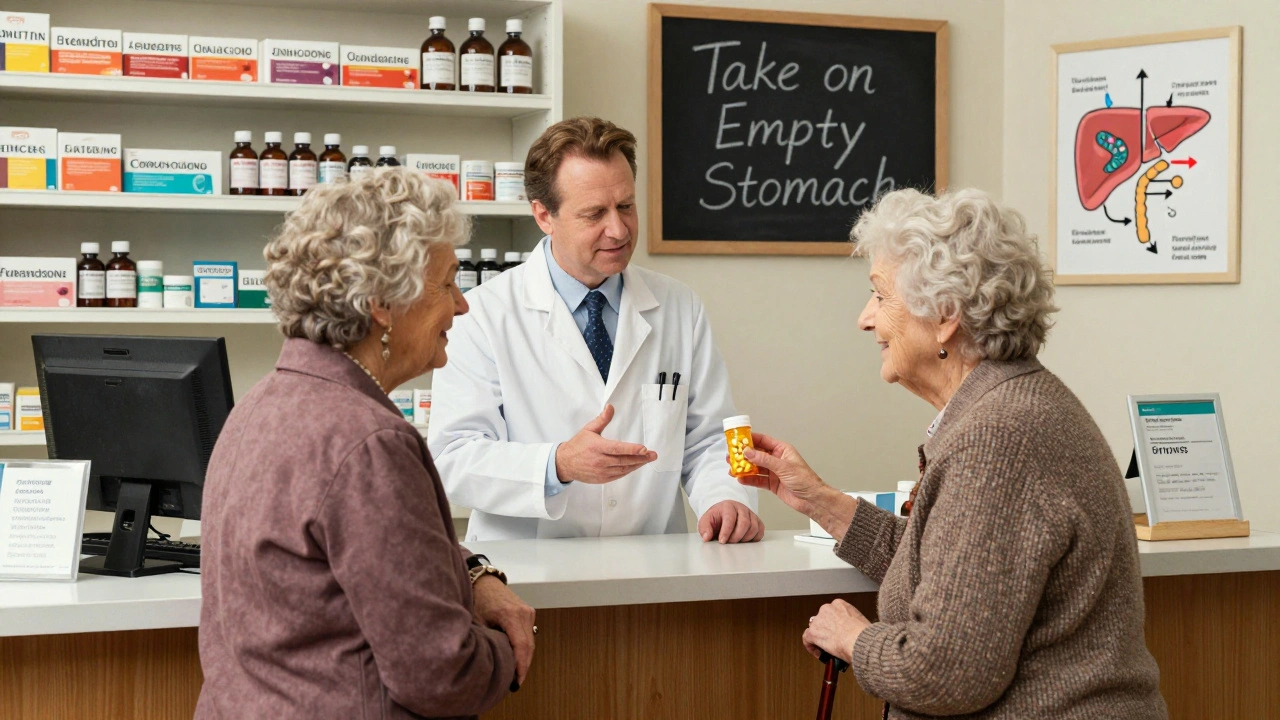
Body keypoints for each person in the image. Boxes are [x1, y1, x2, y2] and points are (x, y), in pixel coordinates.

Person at [741, 189, 1168, 718]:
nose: (865, 319)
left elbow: (946, 673)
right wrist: (820, 501)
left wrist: (854, 638)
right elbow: (960, 570)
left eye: (880, 295)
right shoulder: (1011, 406)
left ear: (944, 315)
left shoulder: (997, 441)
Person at [196, 169, 536, 720]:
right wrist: (504, 653)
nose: (462, 305)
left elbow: (368, 552)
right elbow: (440, 674)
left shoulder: (257, 408)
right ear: (382, 301)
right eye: (448, 281)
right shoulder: (368, 442)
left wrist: (472, 574)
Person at [429, 116, 763, 543]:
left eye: (625, 206)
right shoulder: (482, 314)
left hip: (654, 568)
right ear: (544, 215)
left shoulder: (681, 307)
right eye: (594, 214)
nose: (619, 230)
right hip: (529, 575)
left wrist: (725, 499)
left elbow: (709, 440)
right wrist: (558, 464)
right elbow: (452, 459)